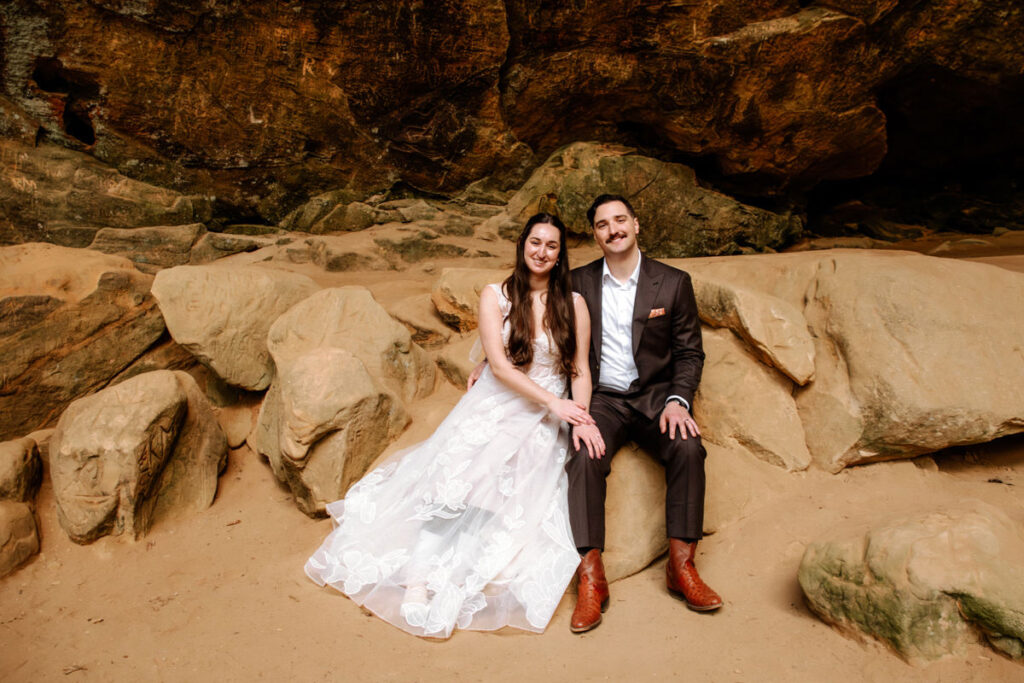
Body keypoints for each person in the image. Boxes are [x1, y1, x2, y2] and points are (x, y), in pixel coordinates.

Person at [305, 213, 605, 639]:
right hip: (503, 401)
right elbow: (499, 367)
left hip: (549, 414)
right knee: (459, 481)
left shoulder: (572, 304)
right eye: (535, 242)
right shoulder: (496, 295)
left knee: (510, 492)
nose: (542, 252)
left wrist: (580, 416)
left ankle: (457, 575)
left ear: (560, 255)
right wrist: (555, 402)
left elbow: (578, 369)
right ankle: (417, 580)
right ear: (523, 246)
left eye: (551, 246)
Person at [565, 194, 722, 634]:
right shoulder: (577, 282)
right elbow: (530, 312)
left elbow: (690, 352)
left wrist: (678, 399)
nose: (612, 229)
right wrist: (491, 358)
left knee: (689, 448)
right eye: (601, 224)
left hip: (656, 397)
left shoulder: (672, 282)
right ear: (595, 235)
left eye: (620, 220)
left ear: (637, 225)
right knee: (582, 454)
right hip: (603, 399)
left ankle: (681, 566)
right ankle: (592, 579)